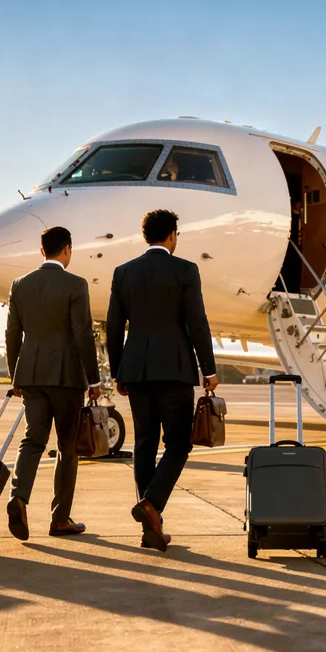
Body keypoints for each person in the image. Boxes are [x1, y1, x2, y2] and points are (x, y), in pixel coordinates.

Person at [106, 209, 217, 552]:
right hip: (175, 369)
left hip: (137, 370)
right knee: (179, 444)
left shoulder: (123, 272)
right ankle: (152, 504)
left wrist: (118, 370)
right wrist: (208, 370)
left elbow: (113, 327)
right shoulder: (185, 270)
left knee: (144, 444)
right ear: (171, 235)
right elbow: (197, 321)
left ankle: (150, 528)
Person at [3, 226, 101, 540]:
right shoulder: (75, 284)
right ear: (67, 250)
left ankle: (19, 497)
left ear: (42, 251)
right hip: (66, 375)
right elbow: (82, 333)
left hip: (30, 374)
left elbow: (11, 335)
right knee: (67, 447)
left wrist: (15, 374)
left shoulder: (20, 285)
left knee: (32, 439)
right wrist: (94, 378)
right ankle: (60, 518)